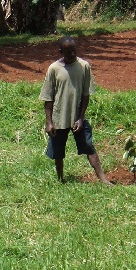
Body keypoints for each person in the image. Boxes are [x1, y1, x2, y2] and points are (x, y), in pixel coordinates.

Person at [40, 36, 111, 184]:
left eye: (74, 50)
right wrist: (49, 122)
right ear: (61, 51)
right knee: (58, 151)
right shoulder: (54, 69)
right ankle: (60, 179)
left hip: (78, 117)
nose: (72, 54)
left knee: (89, 146)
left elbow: (86, 94)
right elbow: (48, 98)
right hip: (59, 117)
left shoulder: (84, 66)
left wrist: (80, 117)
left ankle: (103, 179)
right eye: (68, 52)